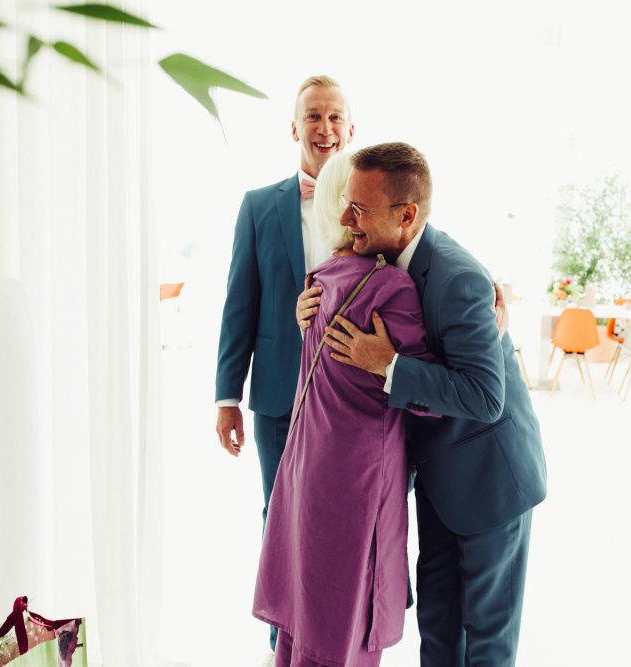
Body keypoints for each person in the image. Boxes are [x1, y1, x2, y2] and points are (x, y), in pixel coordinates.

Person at [299, 142, 547, 666]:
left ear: (407, 215)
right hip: (437, 481)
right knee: (437, 627)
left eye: (359, 209)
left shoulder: (461, 278)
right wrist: (307, 312)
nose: (345, 220)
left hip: (489, 480)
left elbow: (485, 396)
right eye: (346, 204)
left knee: (487, 640)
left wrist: (389, 365)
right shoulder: (382, 263)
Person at [253, 149, 436, 667]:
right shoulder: (392, 287)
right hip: (356, 480)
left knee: (306, 607)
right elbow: (431, 403)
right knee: (345, 614)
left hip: (306, 466)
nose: (351, 215)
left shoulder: (322, 276)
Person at [214, 75, 353, 657]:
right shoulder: (258, 206)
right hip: (277, 397)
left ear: (350, 129)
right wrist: (227, 395)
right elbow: (239, 304)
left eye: (335, 117)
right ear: (294, 128)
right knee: (281, 521)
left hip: (351, 398)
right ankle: (283, 645)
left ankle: (335, 642)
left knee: (339, 524)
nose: (325, 128)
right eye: (313, 117)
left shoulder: (368, 201)